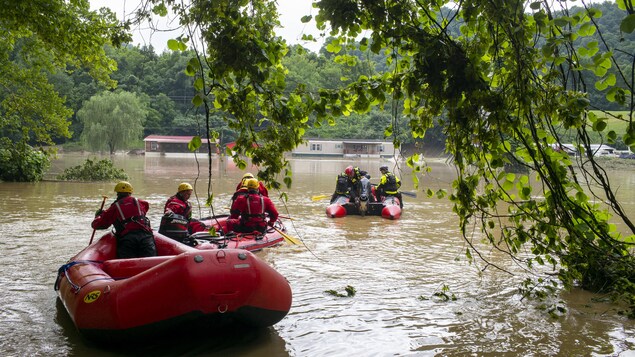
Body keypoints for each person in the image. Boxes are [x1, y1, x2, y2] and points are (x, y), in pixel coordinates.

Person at [92, 181, 157, 259]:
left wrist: (98, 216)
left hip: (128, 239)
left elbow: (100, 224)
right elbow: (145, 208)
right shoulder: (139, 202)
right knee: (150, 261)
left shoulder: (115, 207)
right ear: (130, 192)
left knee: (127, 264)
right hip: (146, 236)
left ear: (117, 193)